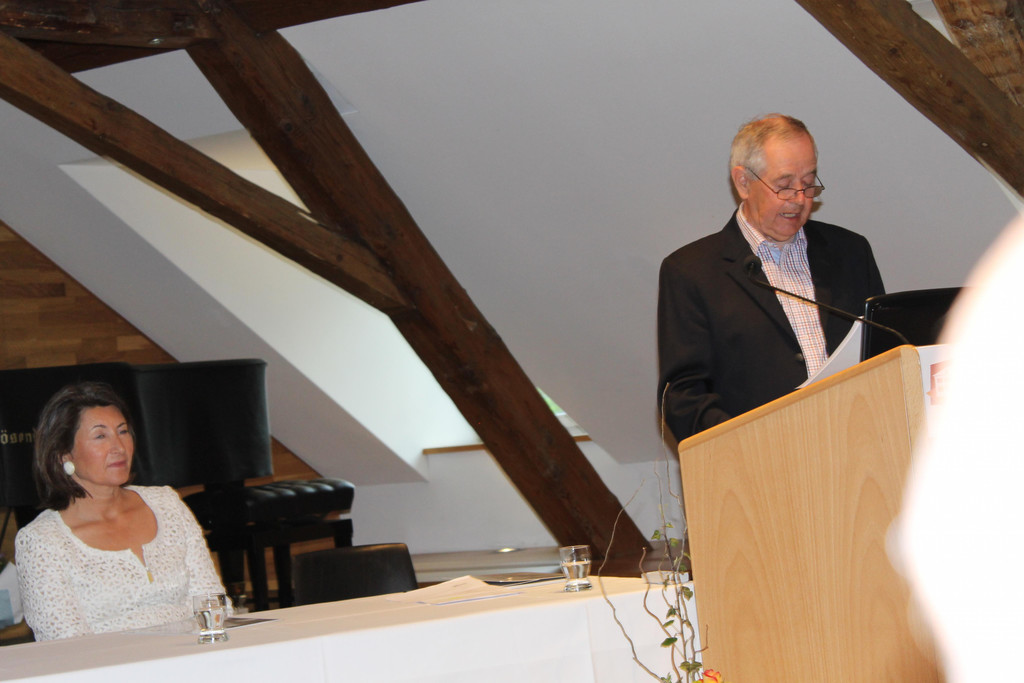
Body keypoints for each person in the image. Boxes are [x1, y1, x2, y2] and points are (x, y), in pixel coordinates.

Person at [657, 114, 884, 442]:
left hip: (857, 448)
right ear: (743, 183)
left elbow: (883, 356)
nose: (800, 199)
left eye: (808, 183)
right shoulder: (691, 272)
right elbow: (683, 399)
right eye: (784, 185)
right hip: (759, 461)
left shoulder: (851, 252)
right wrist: (751, 445)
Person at [14, 382, 228, 640]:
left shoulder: (167, 503)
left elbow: (213, 604)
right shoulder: (42, 541)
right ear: (63, 454)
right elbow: (66, 647)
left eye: (123, 431)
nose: (119, 447)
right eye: (100, 436)